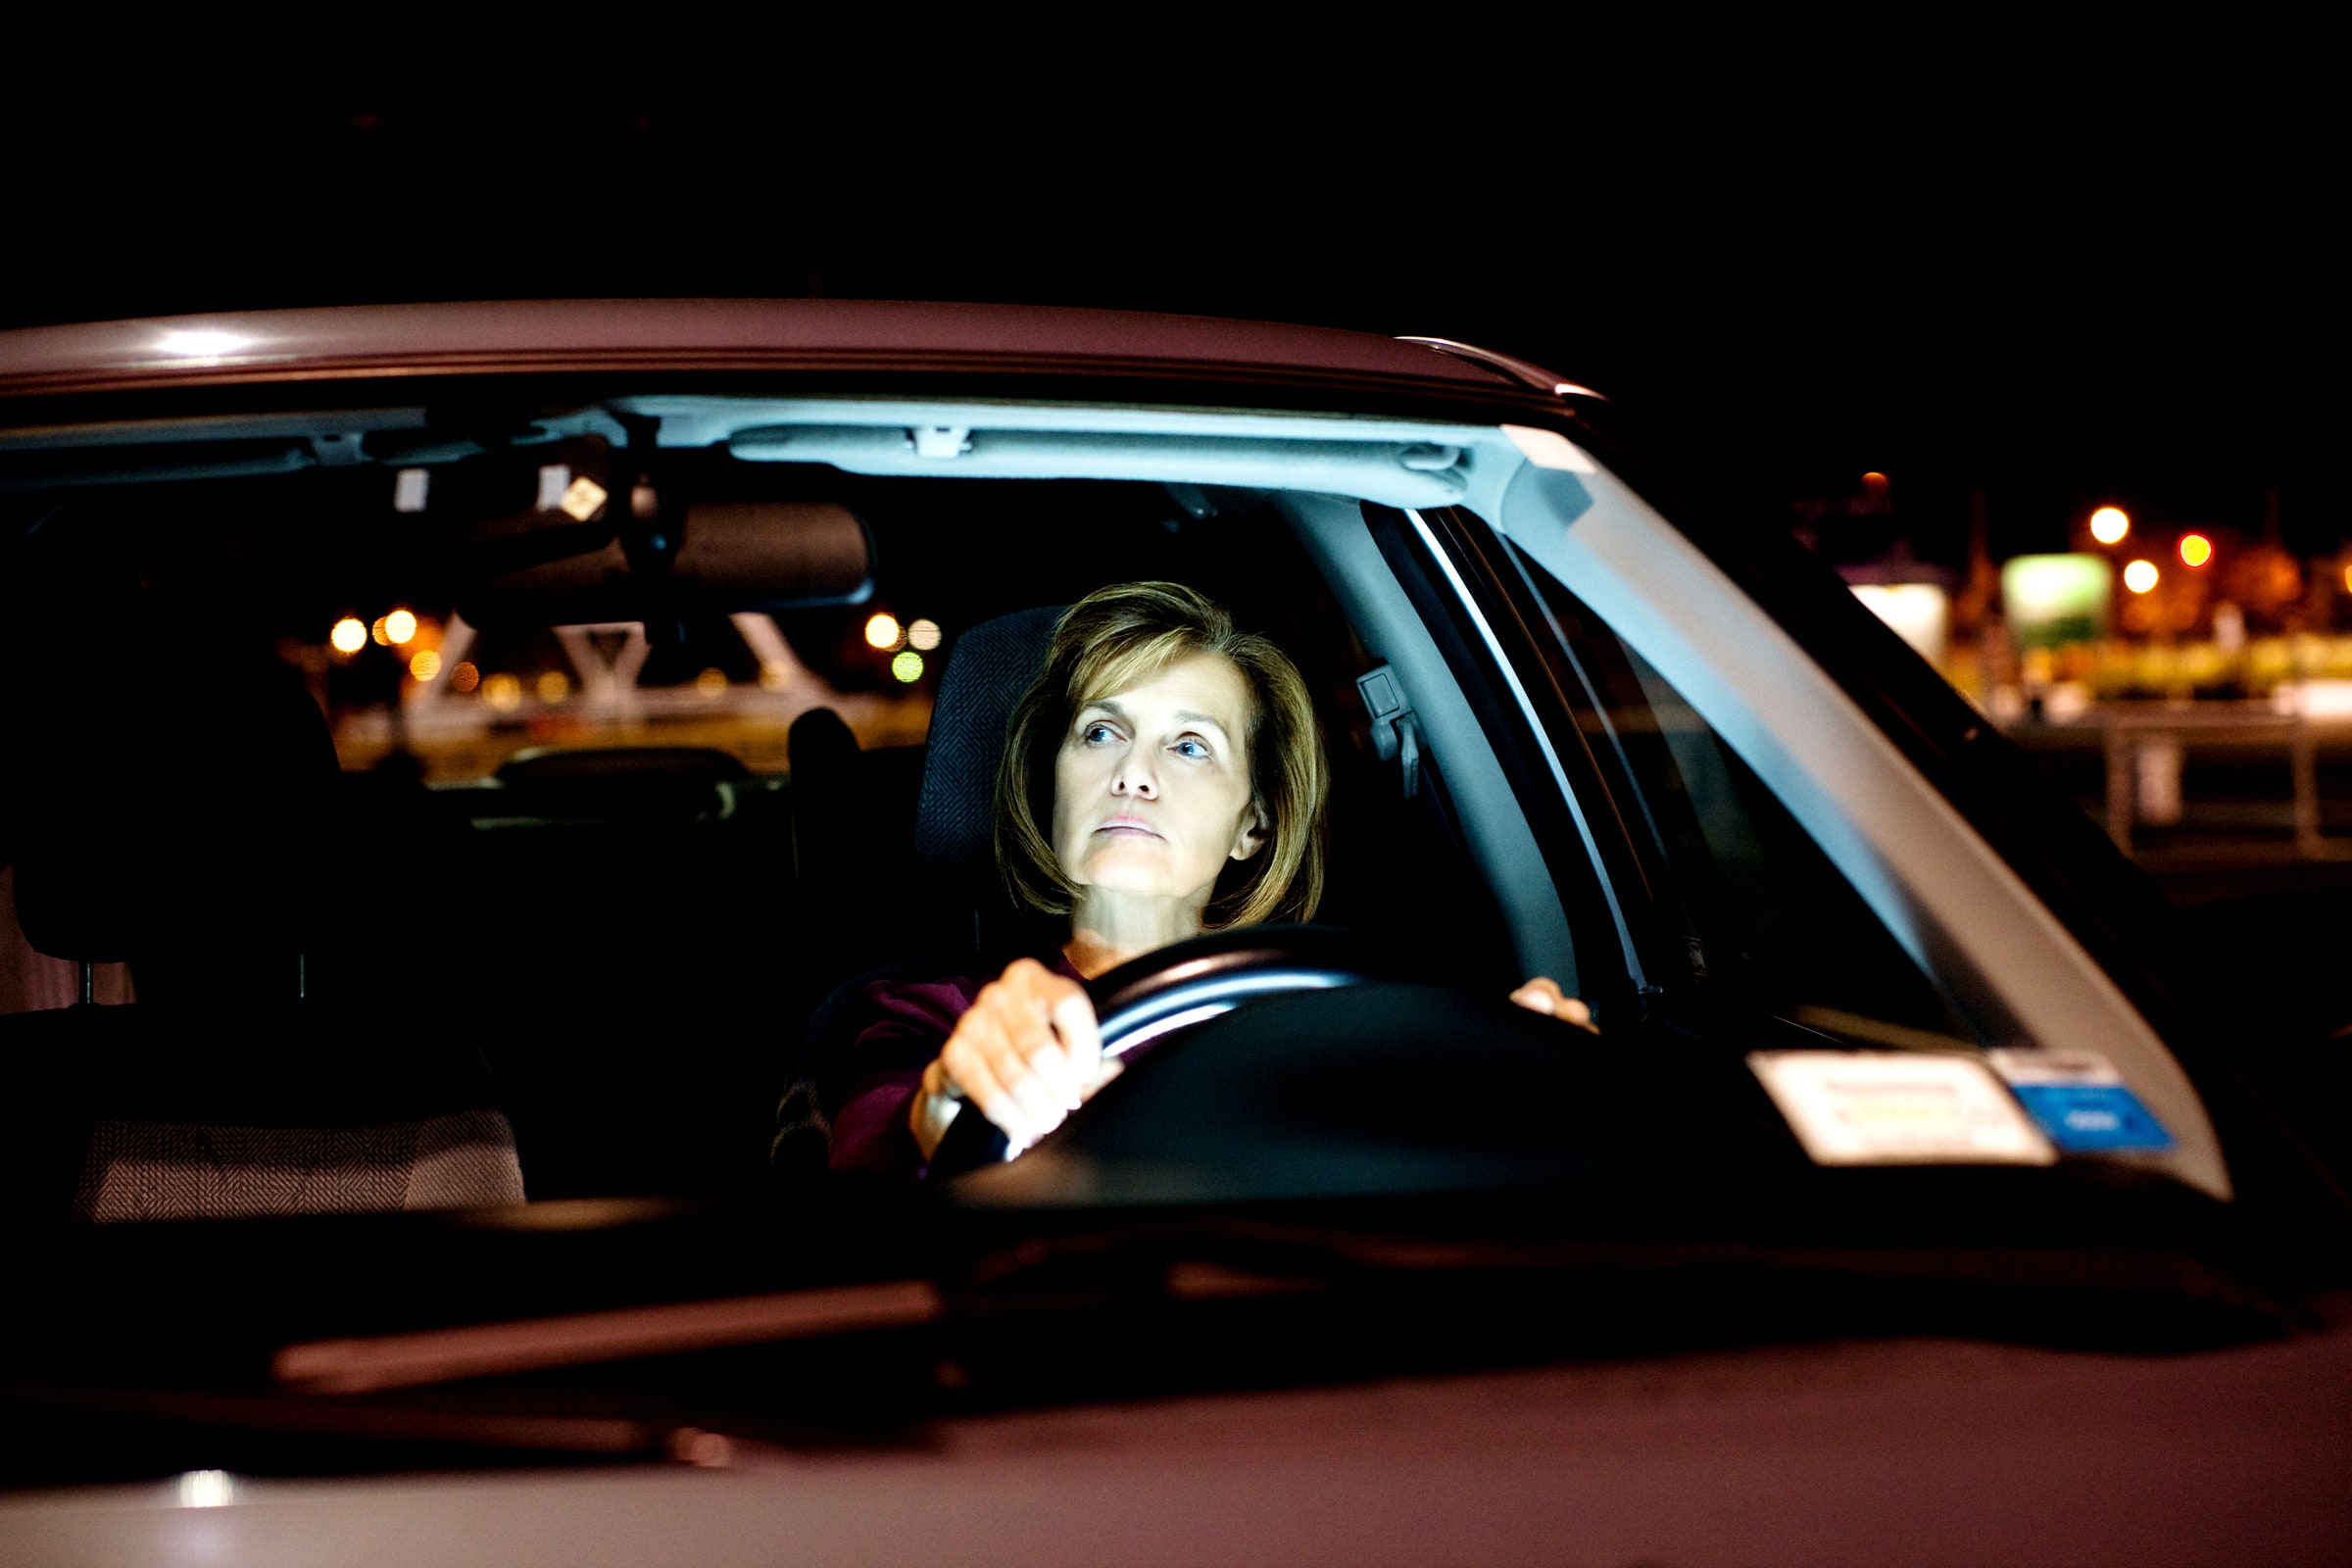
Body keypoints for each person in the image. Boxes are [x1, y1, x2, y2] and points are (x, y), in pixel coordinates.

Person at [817, 581, 1591, 1172]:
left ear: (1252, 824)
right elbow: (866, 1153)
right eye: (1101, 732)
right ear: (1052, 786)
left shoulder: (1344, 1017)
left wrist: (1520, 1084)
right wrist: (947, 1096)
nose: (1133, 775)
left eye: (1189, 746)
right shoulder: (930, 1012)